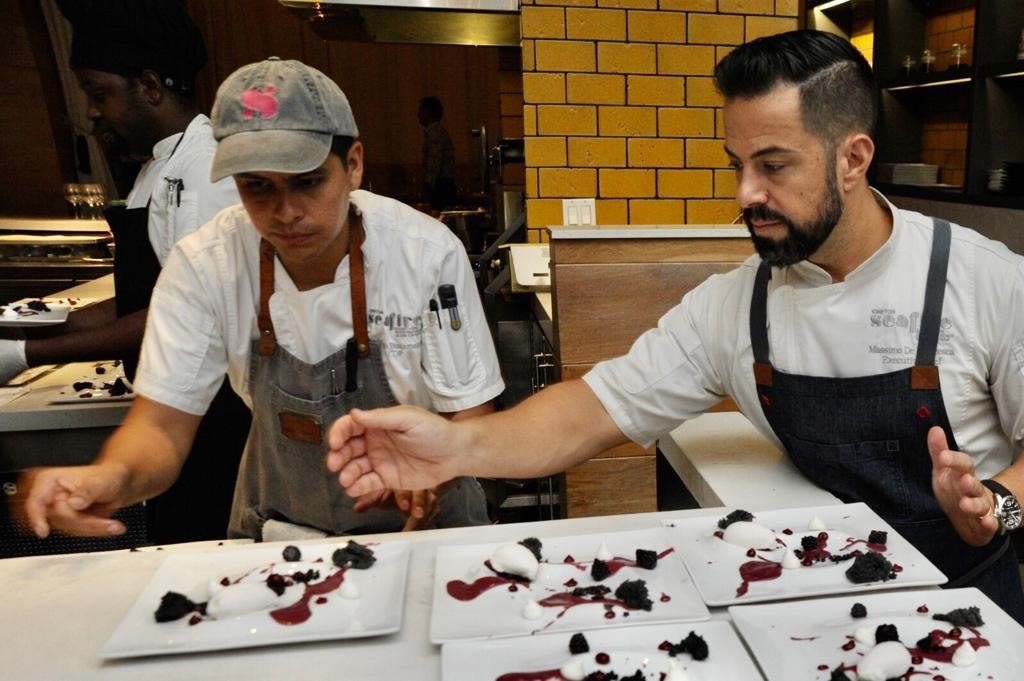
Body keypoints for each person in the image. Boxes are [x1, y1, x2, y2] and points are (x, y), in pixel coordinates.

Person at [325, 30, 1024, 624]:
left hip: (974, 615)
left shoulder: (983, 280)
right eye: (738, 165)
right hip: (826, 620)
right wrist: (454, 445)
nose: (746, 194)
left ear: (854, 158)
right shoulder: (734, 308)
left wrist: (997, 502)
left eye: (773, 165)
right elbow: (591, 409)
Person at [22, 57, 504, 542]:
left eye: (307, 181)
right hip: (281, 534)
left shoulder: (423, 252)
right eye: (257, 187)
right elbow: (162, 427)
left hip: (425, 530)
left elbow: (468, 412)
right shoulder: (206, 263)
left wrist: (434, 475)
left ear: (353, 165)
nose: (286, 213)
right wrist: (111, 477)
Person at [2, 0, 250, 544]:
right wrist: (35, 329)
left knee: (200, 550)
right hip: (166, 409)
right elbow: (144, 292)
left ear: (150, 86)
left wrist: (27, 355)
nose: (91, 112)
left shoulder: (206, 170)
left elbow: (189, 315)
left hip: (206, 418)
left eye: (98, 93)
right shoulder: (155, 168)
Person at [418, 96, 456, 211]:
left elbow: (434, 162)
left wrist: (428, 185)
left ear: (429, 112)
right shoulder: (438, 132)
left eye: (421, 110)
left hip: (440, 187)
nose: (418, 114)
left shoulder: (435, 134)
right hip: (443, 185)